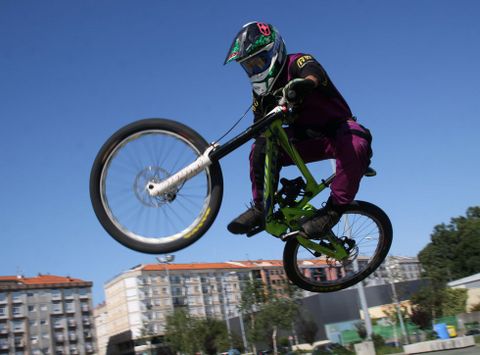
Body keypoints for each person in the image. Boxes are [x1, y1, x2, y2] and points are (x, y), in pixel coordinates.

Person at [224, 22, 372, 237]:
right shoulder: (260, 93)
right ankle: (261, 207)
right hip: (305, 138)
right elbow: (259, 125)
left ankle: (333, 210)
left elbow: (312, 72)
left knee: (357, 142)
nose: (255, 69)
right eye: (249, 66)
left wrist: (306, 84)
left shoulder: (297, 61)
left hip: (337, 129)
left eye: (259, 61)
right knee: (260, 147)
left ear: (274, 51)